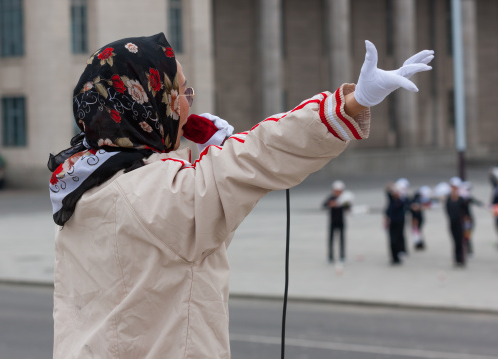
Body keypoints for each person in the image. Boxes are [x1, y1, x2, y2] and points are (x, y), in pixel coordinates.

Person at [48, 33, 433, 358]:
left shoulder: (80, 188)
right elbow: (259, 154)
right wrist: (351, 104)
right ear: (146, 103)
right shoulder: (169, 194)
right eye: (180, 91)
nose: (188, 102)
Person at [322, 180, 352, 266]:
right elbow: (323, 205)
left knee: (342, 240)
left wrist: (347, 205)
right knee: (331, 240)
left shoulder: (344, 199)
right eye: (336, 191)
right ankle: (330, 257)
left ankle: (342, 256)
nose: (338, 193)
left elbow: (348, 208)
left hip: (341, 222)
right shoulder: (331, 198)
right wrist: (330, 204)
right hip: (332, 222)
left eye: (339, 191)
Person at [445, 177, 470, 267]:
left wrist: (467, 225)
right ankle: (456, 259)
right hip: (452, 223)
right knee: (455, 241)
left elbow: (467, 213)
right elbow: (447, 211)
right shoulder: (448, 199)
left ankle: (461, 259)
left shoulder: (462, 200)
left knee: (460, 241)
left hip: (461, 223)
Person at [385, 181, 410, 265]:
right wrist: (391, 187)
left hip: (399, 222)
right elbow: (387, 190)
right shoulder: (391, 199)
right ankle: (394, 258)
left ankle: (400, 254)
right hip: (392, 222)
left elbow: (408, 205)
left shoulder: (402, 200)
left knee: (399, 238)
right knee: (392, 240)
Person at [409, 186, 432, 250]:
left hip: (419, 217)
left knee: (417, 230)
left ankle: (419, 243)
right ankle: (418, 243)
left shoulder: (418, 198)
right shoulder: (416, 199)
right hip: (416, 217)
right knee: (416, 231)